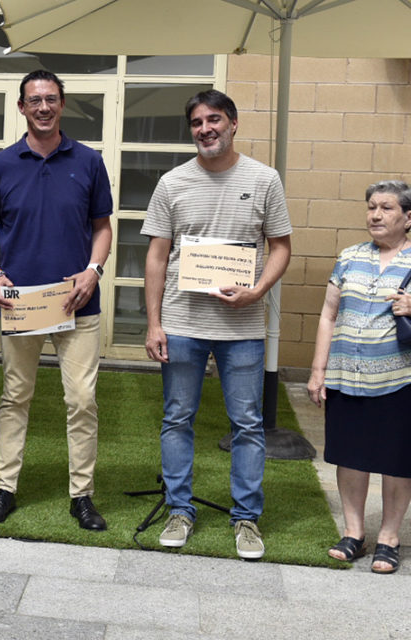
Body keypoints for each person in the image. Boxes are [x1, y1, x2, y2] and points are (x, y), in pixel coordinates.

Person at [142, 89, 291, 560]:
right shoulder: (172, 183)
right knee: (176, 418)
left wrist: (258, 290)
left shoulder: (265, 180)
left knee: (247, 423)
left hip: (243, 326)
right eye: (197, 122)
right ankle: (179, 509)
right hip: (182, 321)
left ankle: (246, 519)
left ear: (233, 124)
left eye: (215, 120)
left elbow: (281, 247)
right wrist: (153, 323)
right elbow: (157, 256)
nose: (205, 128)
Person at [0, 70, 113, 532]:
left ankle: (83, 496)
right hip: (21, 305)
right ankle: (5, 488)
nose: (43, 107)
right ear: (21, 107)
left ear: (63, 104)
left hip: (77, 304)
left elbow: (103, 227)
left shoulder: (89, 161)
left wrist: (93, 272)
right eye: (34, 100)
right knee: (15, 397)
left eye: (51, 99)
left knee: (82, 400)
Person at [308, 180, 411, 574]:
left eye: (386, 207)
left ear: (407, 217)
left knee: (397, 460)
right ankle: (354, 533)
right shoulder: (350, 256)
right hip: (345, 376)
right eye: (371, 207)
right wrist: (319, 371)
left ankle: (389, 537)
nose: (375, 214)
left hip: (399, 380)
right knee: (350, 456)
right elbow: (327, 315)